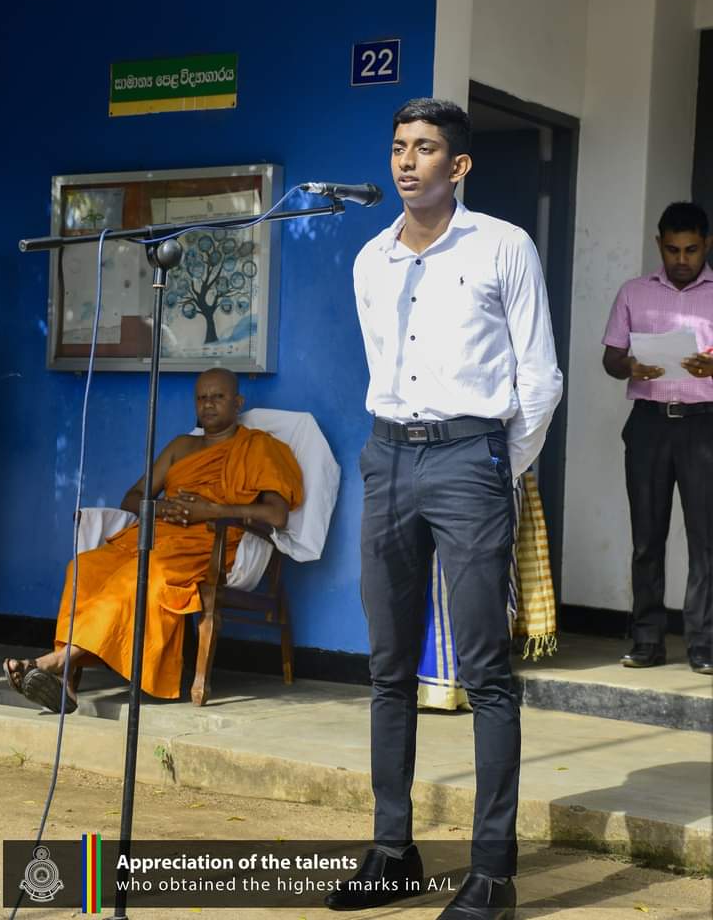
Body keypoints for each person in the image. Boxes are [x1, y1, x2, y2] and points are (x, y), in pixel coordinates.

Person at [326, 99, 562, 920]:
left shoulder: (504, 245)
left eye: (424, 148)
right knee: (388, 667)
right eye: (398, 146)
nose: (406, 160)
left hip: (471, 458)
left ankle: (492, 873)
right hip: (388, 457)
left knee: (485, 670)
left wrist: (495, 466)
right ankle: (392, 851)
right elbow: (382, 366)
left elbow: (540, 378)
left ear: (457, 166)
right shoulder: (372, 259)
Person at [3, 369, 303, 711]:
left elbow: (276, 515)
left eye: (218, 397)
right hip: (154, 536)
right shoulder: (181, 447)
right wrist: (162, 509)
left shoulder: (259, 447)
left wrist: (212, 510)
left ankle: (57, 661)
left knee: (143, 575)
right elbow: (133, 498)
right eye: (202, 397)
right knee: (84, 567)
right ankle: (66, 684)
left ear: (238, 403)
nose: (208, 404)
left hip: (208, 544)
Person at [602, 202, 713, 675]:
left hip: (704, 424)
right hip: (649, 424)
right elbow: (610, 359)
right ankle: (647, 640)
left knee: (706, 539)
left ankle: (704, 644)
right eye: (672, 250)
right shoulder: (634, 292)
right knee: (646, 537)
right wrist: (630, 365)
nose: (681, 259)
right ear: (659, 245)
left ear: (706, 245)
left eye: (691, 250)